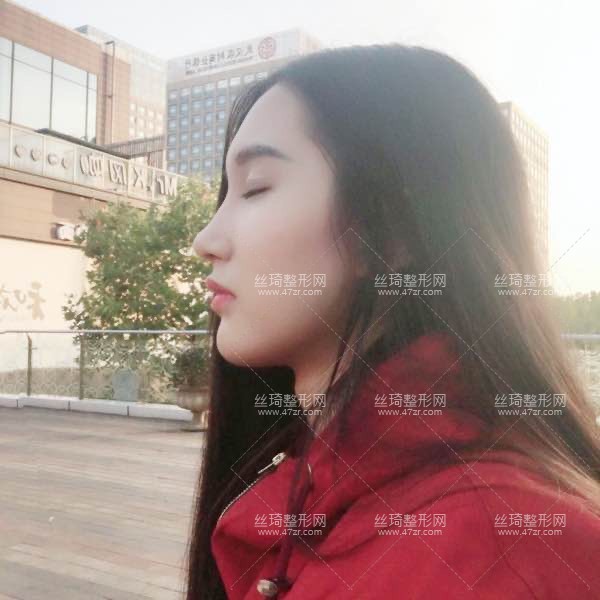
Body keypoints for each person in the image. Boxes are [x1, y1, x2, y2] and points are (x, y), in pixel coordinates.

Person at [187, 44, 600, 599]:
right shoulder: (318, 493)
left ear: (393, 230)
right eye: (226, 195)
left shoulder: (500, 549)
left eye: (256, 187)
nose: (206, 240)